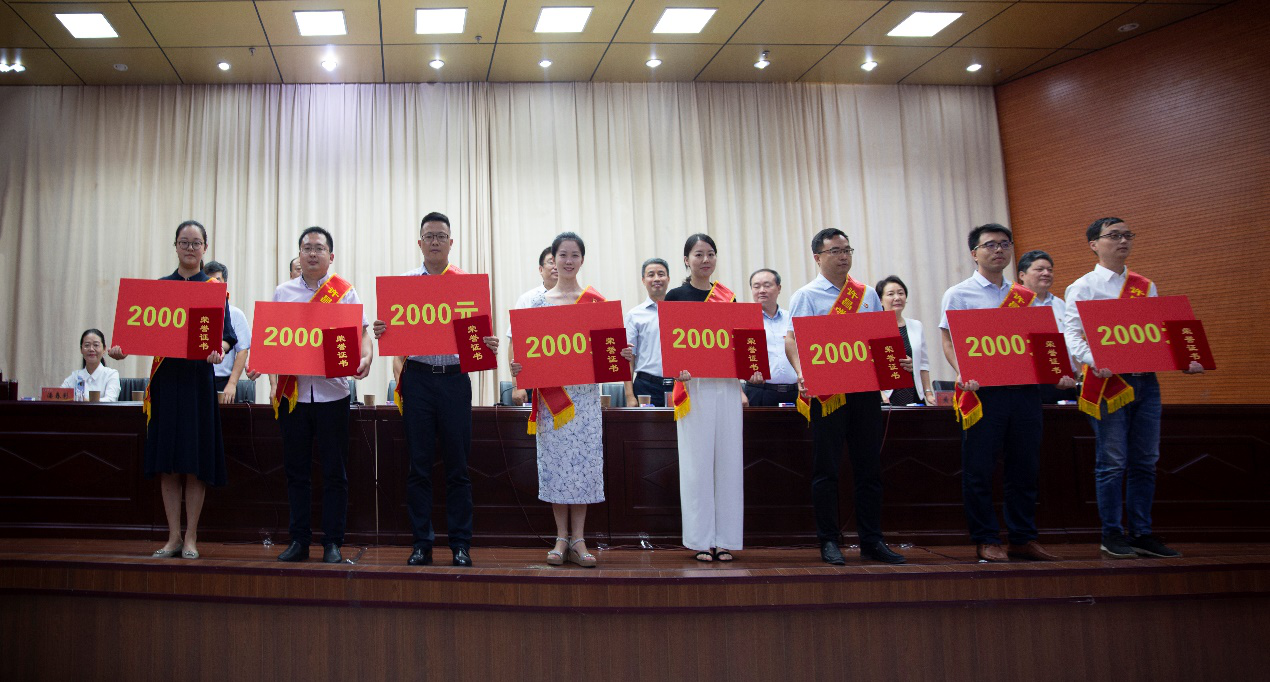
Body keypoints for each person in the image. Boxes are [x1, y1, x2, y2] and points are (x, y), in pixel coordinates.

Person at [1064, 217, 1204, 560]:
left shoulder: (1144, 285)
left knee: (1146, 460)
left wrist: (1183, 358)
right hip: (1108, 383)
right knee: (1113, 462)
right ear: (1094, 244)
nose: (1123, 241)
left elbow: (1155, 333)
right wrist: (1096, 358)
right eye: (1114, 236)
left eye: (1127, 235)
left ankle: (1141, 532)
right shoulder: (1082, 287)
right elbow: (1072, 336)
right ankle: (1111, 534)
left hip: (1146, 382)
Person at [939, 223, 1075, 563]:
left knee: (1024, 467)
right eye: (990, 245)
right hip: (984, 394)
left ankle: (1022, 538)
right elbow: (949, 340)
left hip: (1026, 392)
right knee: (979, 469)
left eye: (1004, 244)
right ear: (974, 253)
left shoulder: (1024, 296)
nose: (998, 250)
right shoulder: (959, 294)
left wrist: (1058, 372)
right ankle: (986, 538)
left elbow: (1041, 343)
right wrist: (962, 371)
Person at [372, 212, 499, 568]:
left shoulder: (465, 285)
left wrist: (487, 344)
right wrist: (383, 330)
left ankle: (460, 545)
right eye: (429, 236)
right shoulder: (405, 285)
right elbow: (393, 333)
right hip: (418, 379)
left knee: (458, 467)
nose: (435, 242)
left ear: (451, 242)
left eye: (441, 236)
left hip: (455, 380)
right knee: (419, 466)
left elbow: (477, 340)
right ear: (420, 242)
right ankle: (421, 544)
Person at [107, 220, 235, 560]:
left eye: (196, 243)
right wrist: (121, 349)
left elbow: (227, 336)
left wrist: (219, 349)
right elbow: (137, 333)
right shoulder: (160, 288)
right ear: (175, 246)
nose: (190, 248)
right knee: (167, 462)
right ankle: (173, 537)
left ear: (205, 248)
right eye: (184, 242)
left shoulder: (213, 289)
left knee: (194, 462)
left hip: (198, 382)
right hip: (166, 382)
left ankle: (191, 537)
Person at [248, 226, 373, 564]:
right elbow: (270, 337)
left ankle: (332, 542)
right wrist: (259, 361)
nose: (313, 253)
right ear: (299, 254)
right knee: (296, 472)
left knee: (335, 473)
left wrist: (366, 357)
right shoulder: (283, 292)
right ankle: (299, 541)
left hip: (333, 395)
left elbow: (363, 334)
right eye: (307, 248)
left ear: (331, 256)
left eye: (319, 248)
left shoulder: (345, 292)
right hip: (294, 396)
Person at [785, 228, 905, 565]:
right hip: (828, 394)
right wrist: (801, 372)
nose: (843, 256)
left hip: (865, 392)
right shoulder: (806, 296)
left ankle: (872, 540)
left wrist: (897, 362)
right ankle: (828, 540)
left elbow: (880, 339)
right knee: (826, 469)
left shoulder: (866, 295)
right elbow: (792, 340)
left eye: (847, 250)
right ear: (817, 257)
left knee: (869, 468)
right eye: (835, 251)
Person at [510, 232, 629, 568]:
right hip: (553, 401)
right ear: (553, 259)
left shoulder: (595, 303)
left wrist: (622, 355)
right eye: (562, 255)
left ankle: (579, 538)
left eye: (574, 255)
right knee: (556, 466)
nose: (568, 261)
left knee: (583, 465)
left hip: (585, 399)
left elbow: (608, 355)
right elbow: (524, 353)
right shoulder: (536, 304)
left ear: (582, 260)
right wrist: (519, 368)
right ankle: (561, 537)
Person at [664, 234, 757, 562]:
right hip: (694, 388)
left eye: (711, 254)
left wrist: (751, 370)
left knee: (729, 462)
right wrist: (677, 367)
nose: (706, 260)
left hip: (727, 386)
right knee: (696, 465)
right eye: (698, 254)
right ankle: (701, 539)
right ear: (686, 259)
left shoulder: (727, 298)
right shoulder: (675, 296)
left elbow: (739, 344)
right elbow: (670, 344)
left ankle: (725, 539)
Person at [1016, 250, 1077, 404]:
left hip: (1065, 380)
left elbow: (1070, 342)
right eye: (1039, 269)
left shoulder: (1061, 305)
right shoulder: (1013, 306)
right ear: (1022, 275)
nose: (1046, 273)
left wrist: (1074, 372)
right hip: (1029, 385)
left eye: (1049, 270)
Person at [743, 268, 800, 407]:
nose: (762, 290)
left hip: (795, 392)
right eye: (756, 286)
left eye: (767, 285)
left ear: (779, 288)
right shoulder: (744, 321)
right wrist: (746, 373)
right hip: (759, 391)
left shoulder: (792, 319)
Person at [509, 247, 557, 406]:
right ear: (540, 269)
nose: (556, 266)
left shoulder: (577, 299)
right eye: (551, 262)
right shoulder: (527, 300)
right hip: (533, 380)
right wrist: (517, 385)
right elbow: (514, 343)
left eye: (559, 262)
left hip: (568, 382)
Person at [875, 275, 933, 406]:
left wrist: (928, 392)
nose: (897, 298)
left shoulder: (916, 326)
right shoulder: (875, 328)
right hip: (887, 396)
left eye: (901, 293)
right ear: (880, 300)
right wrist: (880, 393)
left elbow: (923, 364)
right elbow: (870, 366)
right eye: (891, 294)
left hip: (914, 393)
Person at [622, 257, 672, 407]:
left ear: (668, 279)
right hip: (646, 387)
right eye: (651, 275)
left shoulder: (680, 312)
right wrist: (629, 396)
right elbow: (628, 359)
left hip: (677, 386)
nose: (656, 279)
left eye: (661, 274)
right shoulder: (634, 315)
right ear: (643, 280)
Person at [203, 261, 251, 404]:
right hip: (197, 377)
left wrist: (232, 384)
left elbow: (242, 351)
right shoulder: (196, 312)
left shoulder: (236, 314)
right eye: (209, 281)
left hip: (223, 381)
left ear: (225, 284)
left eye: (217, 280)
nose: (213, 284)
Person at [62, 328, 120, 402]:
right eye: (87, 345)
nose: (91, 349)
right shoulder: (75, 376)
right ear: (81, 349)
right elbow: (59, 396)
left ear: (104, 349)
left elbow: (110, 400)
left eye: (96, 345)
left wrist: (84, 401)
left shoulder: (111, 374)